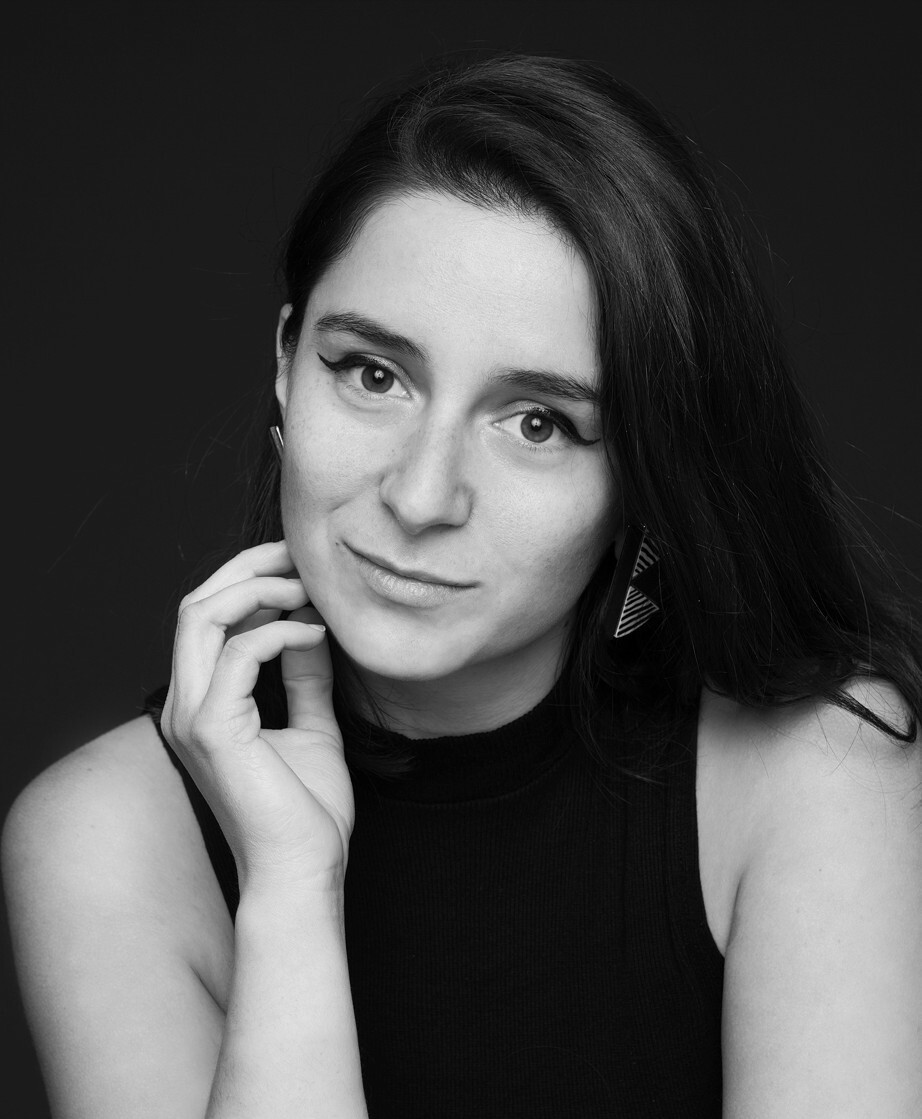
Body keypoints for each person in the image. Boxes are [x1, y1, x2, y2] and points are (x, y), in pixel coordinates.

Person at [4, 52, 921, 1119]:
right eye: (374, 374)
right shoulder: (105, 836)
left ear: (644, 474)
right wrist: (291, 892)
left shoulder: (813, 770)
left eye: (538, 423)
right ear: (287, 362)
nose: (421, 494)